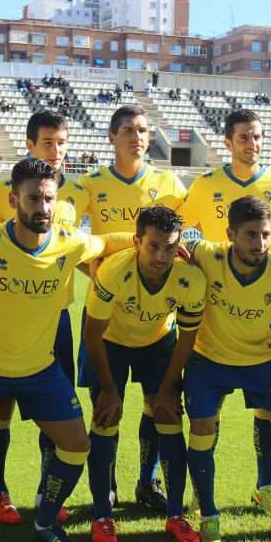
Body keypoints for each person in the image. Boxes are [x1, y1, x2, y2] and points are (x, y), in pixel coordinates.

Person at [0, 157, 135, 542]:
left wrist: (153, 239)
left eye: (49, 198)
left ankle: (46, 520)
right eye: (33, 198)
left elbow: (107, 242)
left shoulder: (69, 241)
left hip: (38, 368)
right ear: (13, 199)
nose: (43, 207)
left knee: (77, 446)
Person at [182, 108, 271, 517]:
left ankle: (265, 484)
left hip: (267, 309)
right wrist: (196, 269)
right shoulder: (205, 185)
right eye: (244, 136)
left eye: (257, 136)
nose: (252, 143)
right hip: (216, 305)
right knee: (209, 404)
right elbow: (181, 230)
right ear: (228, 142)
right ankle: (201, 496)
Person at [181, 195, 271, 542]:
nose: (260, 243)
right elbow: (179, 241)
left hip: (260, 361)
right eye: (251, 235)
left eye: (266, 234)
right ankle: (208, 514)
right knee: (202, 426)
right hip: (209, 359)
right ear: (231, 234)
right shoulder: (208, 253)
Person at [77, 104, 187, 512]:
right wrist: (99, 273)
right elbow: (65, 233)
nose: (137, 136)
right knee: (106, 409)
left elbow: (181, 243)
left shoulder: (169, 182)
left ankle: (147, 482)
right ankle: (105, 488)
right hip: (107, 324)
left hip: (158, 325)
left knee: (158, 407)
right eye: (127, 130)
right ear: (111, 137)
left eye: (142, 130)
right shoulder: (90, 183)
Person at [0, 110, 90, 524]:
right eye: (48, 142)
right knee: (2, 406)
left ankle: (50, 490)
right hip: (8, 316)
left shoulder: (77, 190)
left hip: (56, 316)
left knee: (56, 408)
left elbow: (79, 248)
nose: (57, 150)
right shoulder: (2, 190)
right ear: (29, 145)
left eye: (62, 142)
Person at [83, 205, 207, 542]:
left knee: (168, 414)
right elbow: (92, 335)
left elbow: (187, 337)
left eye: (170, 247)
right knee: (105, 418)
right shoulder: (113, 271)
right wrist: (109, 389)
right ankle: (102, 514)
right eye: (153, 246)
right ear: (137, 242)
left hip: (158, 343)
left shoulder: (191, 279)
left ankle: (174, 513)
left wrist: (167, 388)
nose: (162, 256)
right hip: (112, 343)